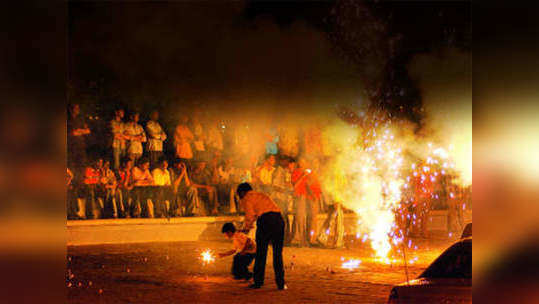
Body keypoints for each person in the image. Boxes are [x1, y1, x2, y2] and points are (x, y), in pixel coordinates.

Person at [237, 183, 286, 290]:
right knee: (277, 254)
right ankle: (281, 283)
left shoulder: (246, 198)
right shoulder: (260, 195)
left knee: (261, 253)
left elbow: (250, 216)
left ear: (241, 192)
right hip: (279, 219)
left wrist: (245, 230)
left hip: (266, 221)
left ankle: (258, 282)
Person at [67, 104, 91, 174]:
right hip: (71, 146)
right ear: (71, 109)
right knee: (71, 166)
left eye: (78, 108)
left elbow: (88, 130)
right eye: (76, 108)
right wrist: (81, 131)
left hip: (80, 145)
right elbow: (73, 133)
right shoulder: (69, 120)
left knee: (81, 165)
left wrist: (79, 130)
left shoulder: (80, 119)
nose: (78, 110)